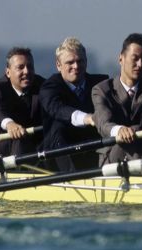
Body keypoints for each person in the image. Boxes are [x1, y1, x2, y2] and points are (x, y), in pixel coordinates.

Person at [92, 33, 142, 165]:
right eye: (135, 58)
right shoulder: (101, 90)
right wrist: (119, 130)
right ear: (121, 59)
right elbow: (104, 123)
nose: (140, 64)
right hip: (116, 157)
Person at [40, 38, 108, 171]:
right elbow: (57, 109)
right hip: (60, 155)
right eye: (70, 62)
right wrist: (87, 118)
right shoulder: (49, 87)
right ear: (58, 65)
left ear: (86, 62)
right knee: (58, 128)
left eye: (80, 61)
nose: (76, 66)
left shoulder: (101, 83)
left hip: (94, 148)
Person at [0, 47, 45, 161]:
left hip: (37, 149)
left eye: (30, 67)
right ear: (8, 72)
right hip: (4, 152)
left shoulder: (43, 86)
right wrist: (10, 124)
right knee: (18, 139)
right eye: (20, 67)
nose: (26, 71)